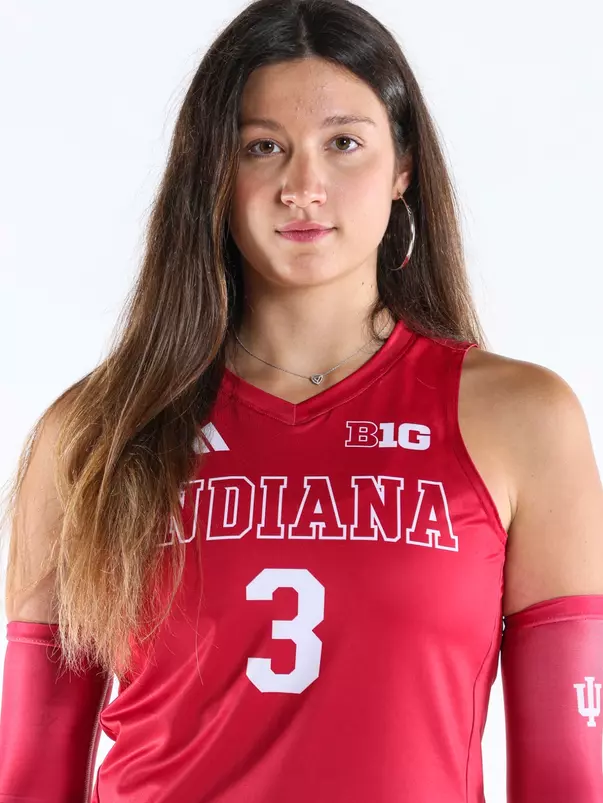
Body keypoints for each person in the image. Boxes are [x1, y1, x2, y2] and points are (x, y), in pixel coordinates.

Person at [1, 0, 602, 801]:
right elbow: (31, 777)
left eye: (343, 143)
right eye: (263, 147)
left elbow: (568, 774)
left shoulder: (521, 419)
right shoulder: (93, 432)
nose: (303, 186)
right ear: (214, 171)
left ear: (402, 169)